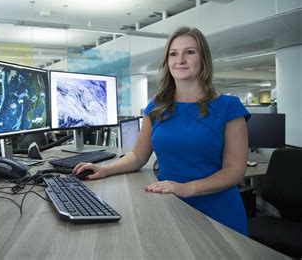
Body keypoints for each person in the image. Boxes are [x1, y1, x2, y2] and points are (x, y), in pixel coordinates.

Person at [73, 26, 250, 235]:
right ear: (167, 61)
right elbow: (138, 156)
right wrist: (106, 169)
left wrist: (186, 188)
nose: (180, 59)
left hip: (217, 211)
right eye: (173, 53)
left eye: (190, 52)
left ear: (203, 59)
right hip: (170, 206)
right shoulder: (157, 107)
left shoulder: (229, 107)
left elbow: (235, 171)